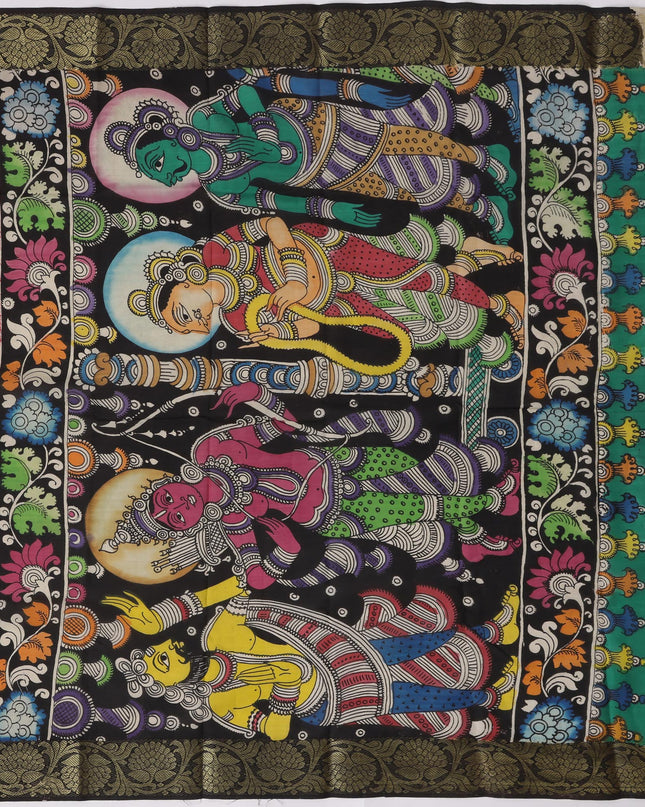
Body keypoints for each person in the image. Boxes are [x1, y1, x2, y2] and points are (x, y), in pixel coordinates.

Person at [93, 381, 519, 590]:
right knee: (421, 507)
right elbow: (257, 577)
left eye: (164, 499)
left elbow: (280, 426)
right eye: (172, 519)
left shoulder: (210, 448)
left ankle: (476, 513)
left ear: (166, 482)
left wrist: (257, 393)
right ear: (187, 528)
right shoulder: (230, 521)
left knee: (421, 469)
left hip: (339, 461)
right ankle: (488, 504)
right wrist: (286, 551)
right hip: (338, 513)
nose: (177, 506)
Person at [104, 76, 516, 237]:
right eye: (155, 176)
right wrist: (333, 209)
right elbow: (276, 200)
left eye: (158, 161)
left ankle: (483, 157)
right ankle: (480, 206)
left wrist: (265, 136)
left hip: (317, 128)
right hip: (318, 175)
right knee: (398, 189)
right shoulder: (220, 189)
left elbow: (246, 93)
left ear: (170, 135)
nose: (166, 176)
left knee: (396, 141)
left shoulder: (203, 118)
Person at [110, 579, 520, 740]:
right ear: (169, 686)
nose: (166, 650)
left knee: (412, 643)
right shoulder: (221, 703)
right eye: (160, 662)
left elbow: (240, 585)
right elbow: (275, 731)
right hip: (327, 700)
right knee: (410, 697)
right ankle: (489, 699)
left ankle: (494, 633)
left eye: (159, 648)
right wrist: (285, 689)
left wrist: (166, 614)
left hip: (327, 652)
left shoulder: (217, 634)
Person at [125, 215, 524, 374]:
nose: (192, 324)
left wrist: (295, 278)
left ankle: (504, 305)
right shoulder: (235, 320)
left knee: (416, 278)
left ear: (185, 282)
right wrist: (283, 334)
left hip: (330, 254)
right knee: (395, 328)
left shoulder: (218, 251)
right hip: (335, 303)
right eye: (183, 327)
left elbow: (273, 224)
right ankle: (470, 258)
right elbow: (313, 327)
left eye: (181, 312)